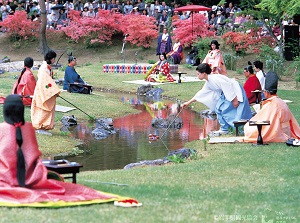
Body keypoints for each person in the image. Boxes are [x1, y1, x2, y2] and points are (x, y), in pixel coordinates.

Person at [0, 94, 122, 205]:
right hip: (32, 177)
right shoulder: (29, 128)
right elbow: (34, 154)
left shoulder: (2, 128)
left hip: (5, 177)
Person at [181, 63, 252, 136]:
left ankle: (237, 128)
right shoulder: (208, 82)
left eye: (198, 74)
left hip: (234, 92)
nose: (197, 76)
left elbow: (228, 86)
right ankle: (224, 128)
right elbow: (201, 93)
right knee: (218, 108)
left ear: (204, 73)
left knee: (226, 109)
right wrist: (188, 102)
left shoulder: (215, 78)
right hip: (226, 94)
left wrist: (235, 100)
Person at [244, 72, 300, 143]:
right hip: (287, 131)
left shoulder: (272, 104)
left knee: (248, 128)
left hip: (277, 132)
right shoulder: (281, 102)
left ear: (266, 92)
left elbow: (266, 121)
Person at [31, 50, 61, 131]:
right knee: (43, 107)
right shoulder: (44, 68)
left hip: (45, 90)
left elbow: (48, 82)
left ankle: (45, 125)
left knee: (46, 107)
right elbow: (46, 82)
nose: (54, 60)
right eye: (54, 58)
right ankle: (40, 125)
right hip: (42, 90)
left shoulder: (46, 67)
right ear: (51, 58)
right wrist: (53, 90)